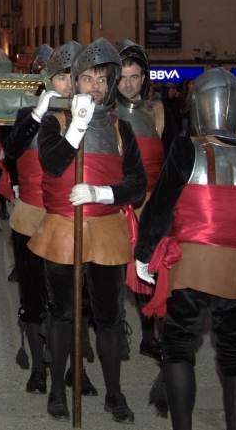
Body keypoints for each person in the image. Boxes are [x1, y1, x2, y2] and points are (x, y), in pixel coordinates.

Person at [135, 68, 236, 430]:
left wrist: (144, 253)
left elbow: (160, 207)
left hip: (192, 267)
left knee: (178, 349)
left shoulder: (186, 149)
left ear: (198, 108)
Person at [29, 38, 146, 422]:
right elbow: (52, 165)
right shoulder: (54, 121)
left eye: (102, 79)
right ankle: (59, 389)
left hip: (107, 229)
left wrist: (103, 192)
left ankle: (114, 392)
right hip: (64, 228)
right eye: (88, 78)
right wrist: (76, 128)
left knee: (109, 316)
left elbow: (137, 183)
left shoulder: (119, 128)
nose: (95, 86)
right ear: (75, 81)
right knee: (62, 313)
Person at [2, 41, 81, 396]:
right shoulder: (27, 114)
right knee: (34, 296)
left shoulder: (86, 116)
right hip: (33, 215)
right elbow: (12, 151)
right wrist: (35, 117)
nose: (67, 84)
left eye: (73, 77)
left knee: (71, 299)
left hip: (70, 216)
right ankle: (37, 366)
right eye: (62, 77)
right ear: (48, 79)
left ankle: (73, 365)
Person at [114, 39, 165, 360]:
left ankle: (149, 336)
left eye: (134, 77)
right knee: (114, 271)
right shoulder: (105, 112)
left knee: (149, 270)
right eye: (122, 77)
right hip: (116, 200)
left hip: (150, 202)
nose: (129, 84)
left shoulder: (158, 111)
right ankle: (114, 331)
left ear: (144, 77)